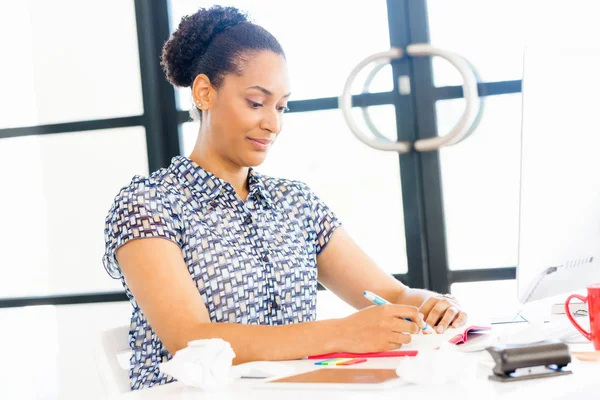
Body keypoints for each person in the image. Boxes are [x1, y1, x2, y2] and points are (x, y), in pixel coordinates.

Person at [103, 5, 467, 390]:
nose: (273, 123)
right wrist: (342, 333)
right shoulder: (147, 205)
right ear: (204, 92)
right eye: (256, 103)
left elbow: (393, 294)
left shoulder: (295, 204)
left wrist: (435, 306)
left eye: (281, 106)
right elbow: (191, 340)